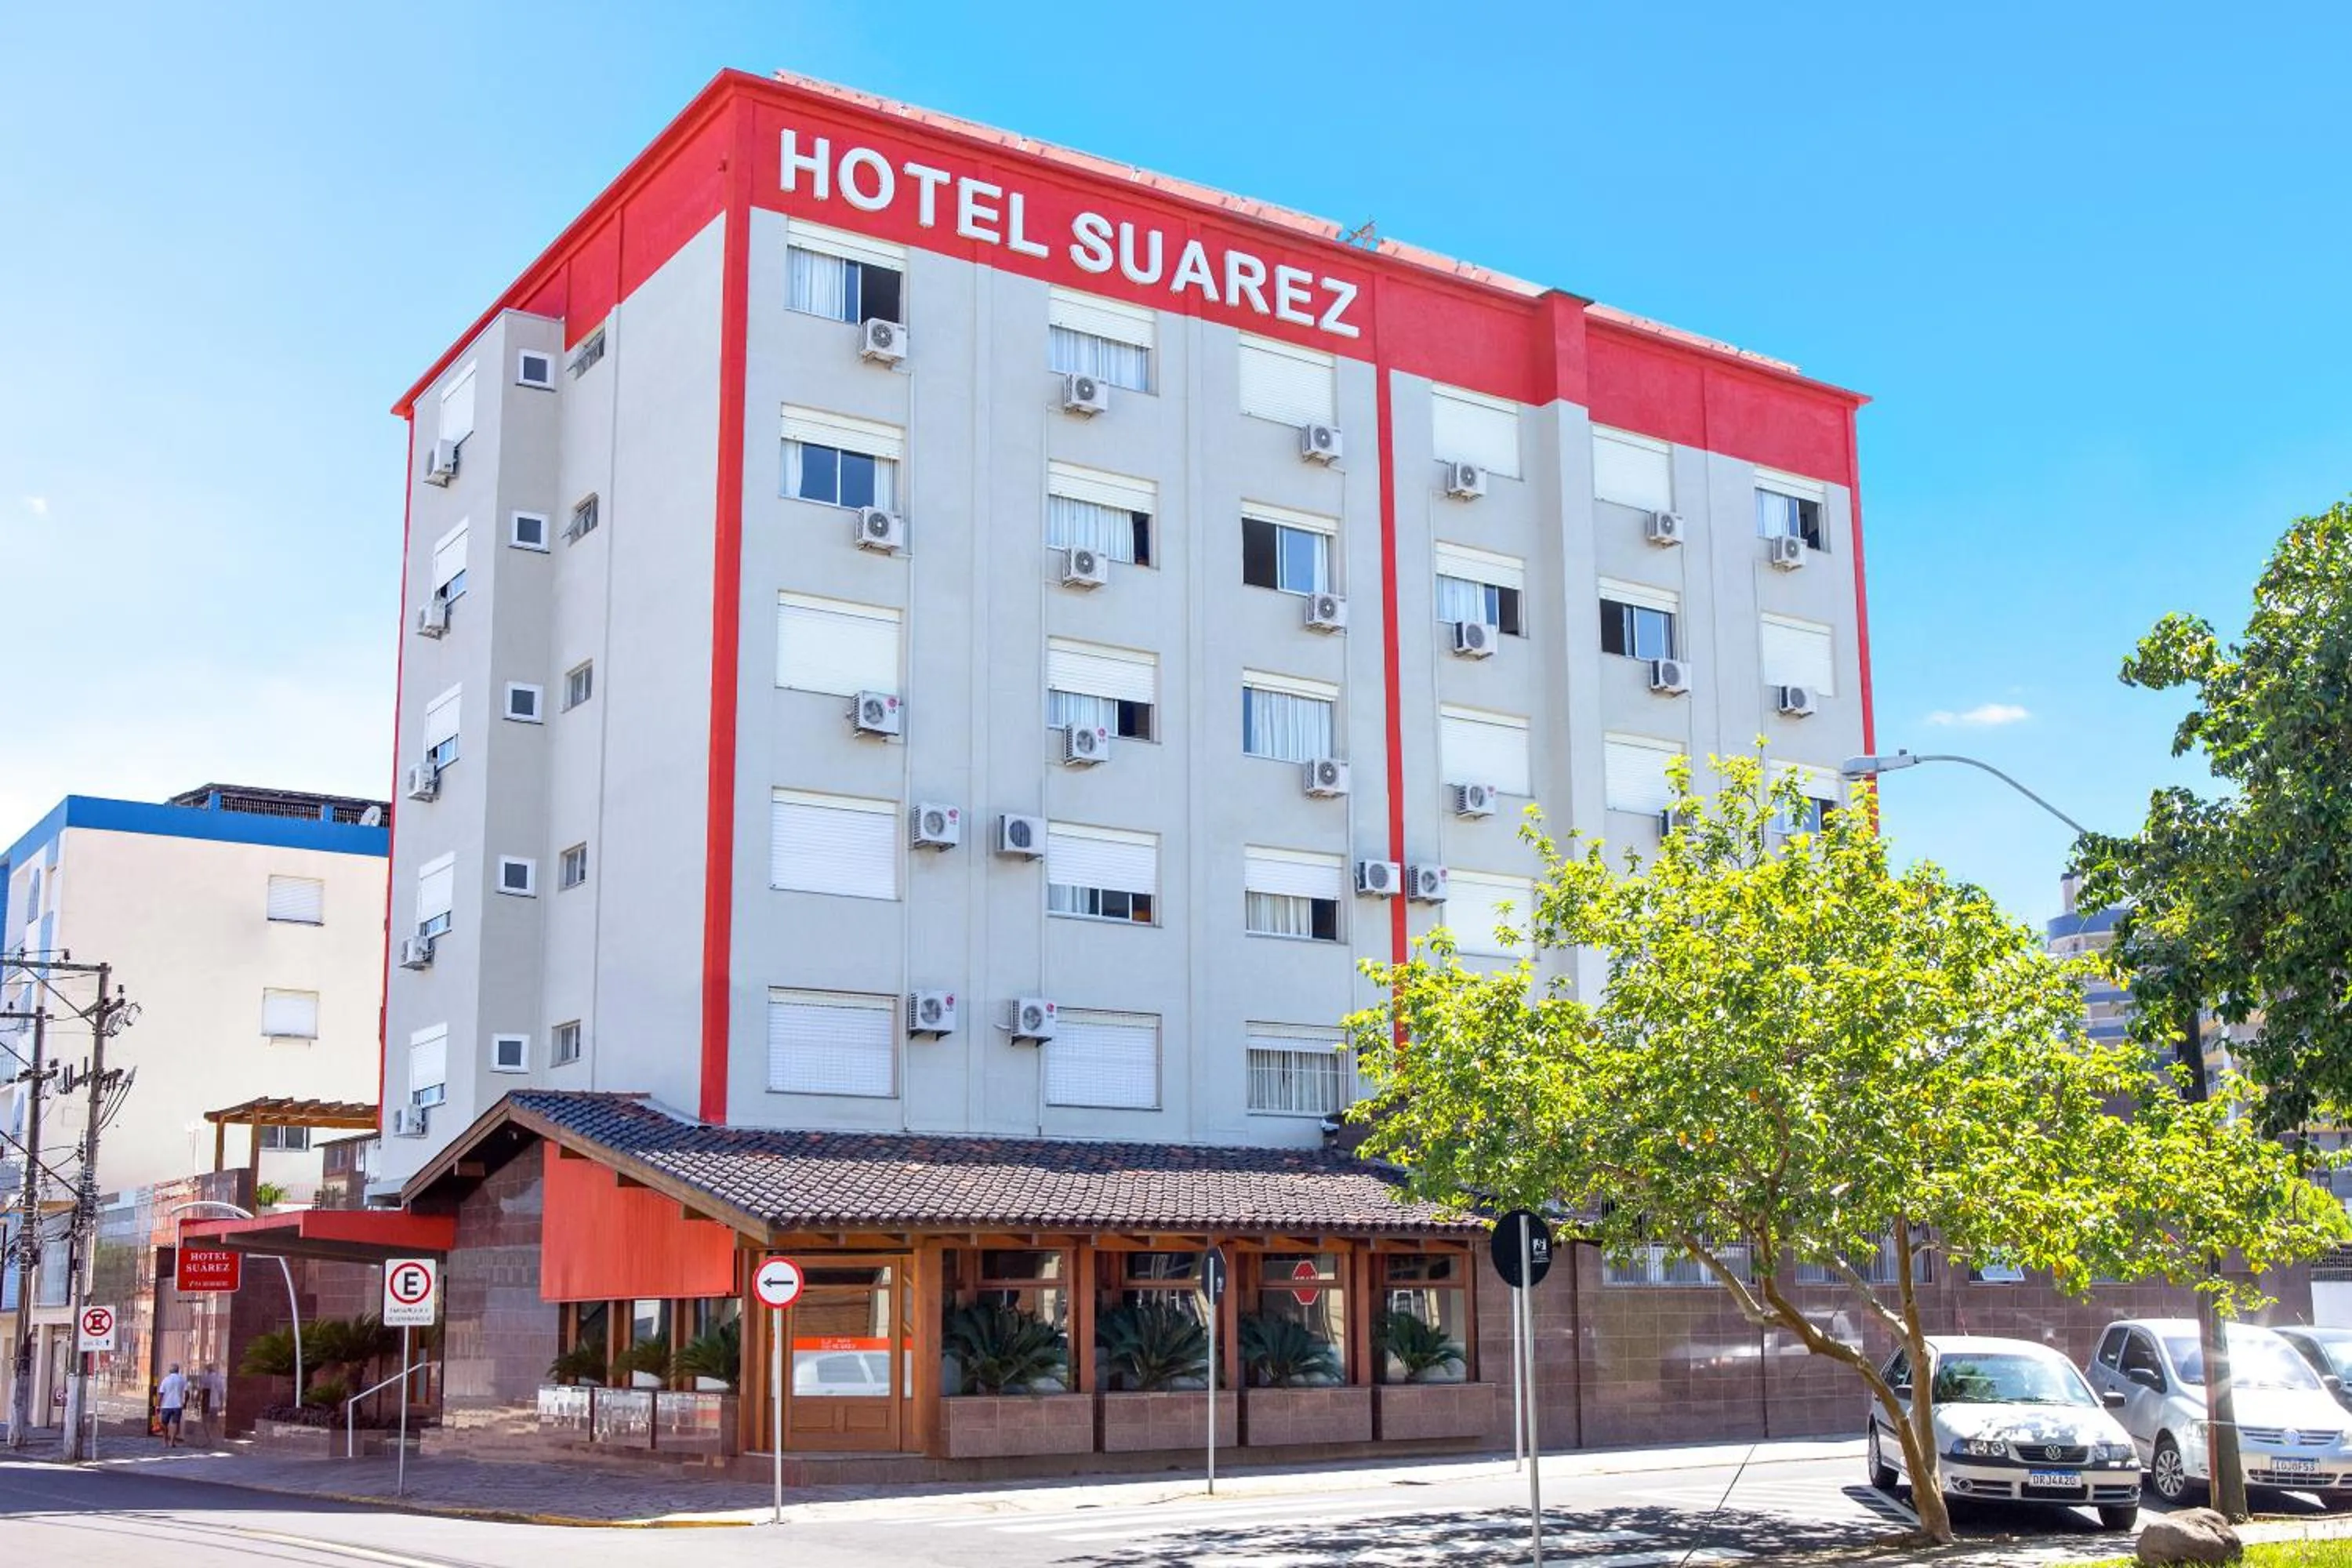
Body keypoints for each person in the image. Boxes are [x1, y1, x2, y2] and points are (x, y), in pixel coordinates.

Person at [157, 1363, 187, 1448]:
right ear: (178, 1370)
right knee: (175, 1423)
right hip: (177, 1405)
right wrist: (185, 1403)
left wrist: (158, 1405)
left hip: (166, 1405)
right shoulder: (182, 1379)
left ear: (170, 1371)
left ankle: (165, 1441)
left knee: (164, 1423)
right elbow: (187, 1392)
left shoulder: (165, 1380)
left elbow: (161, 1394)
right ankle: (172, 1442)